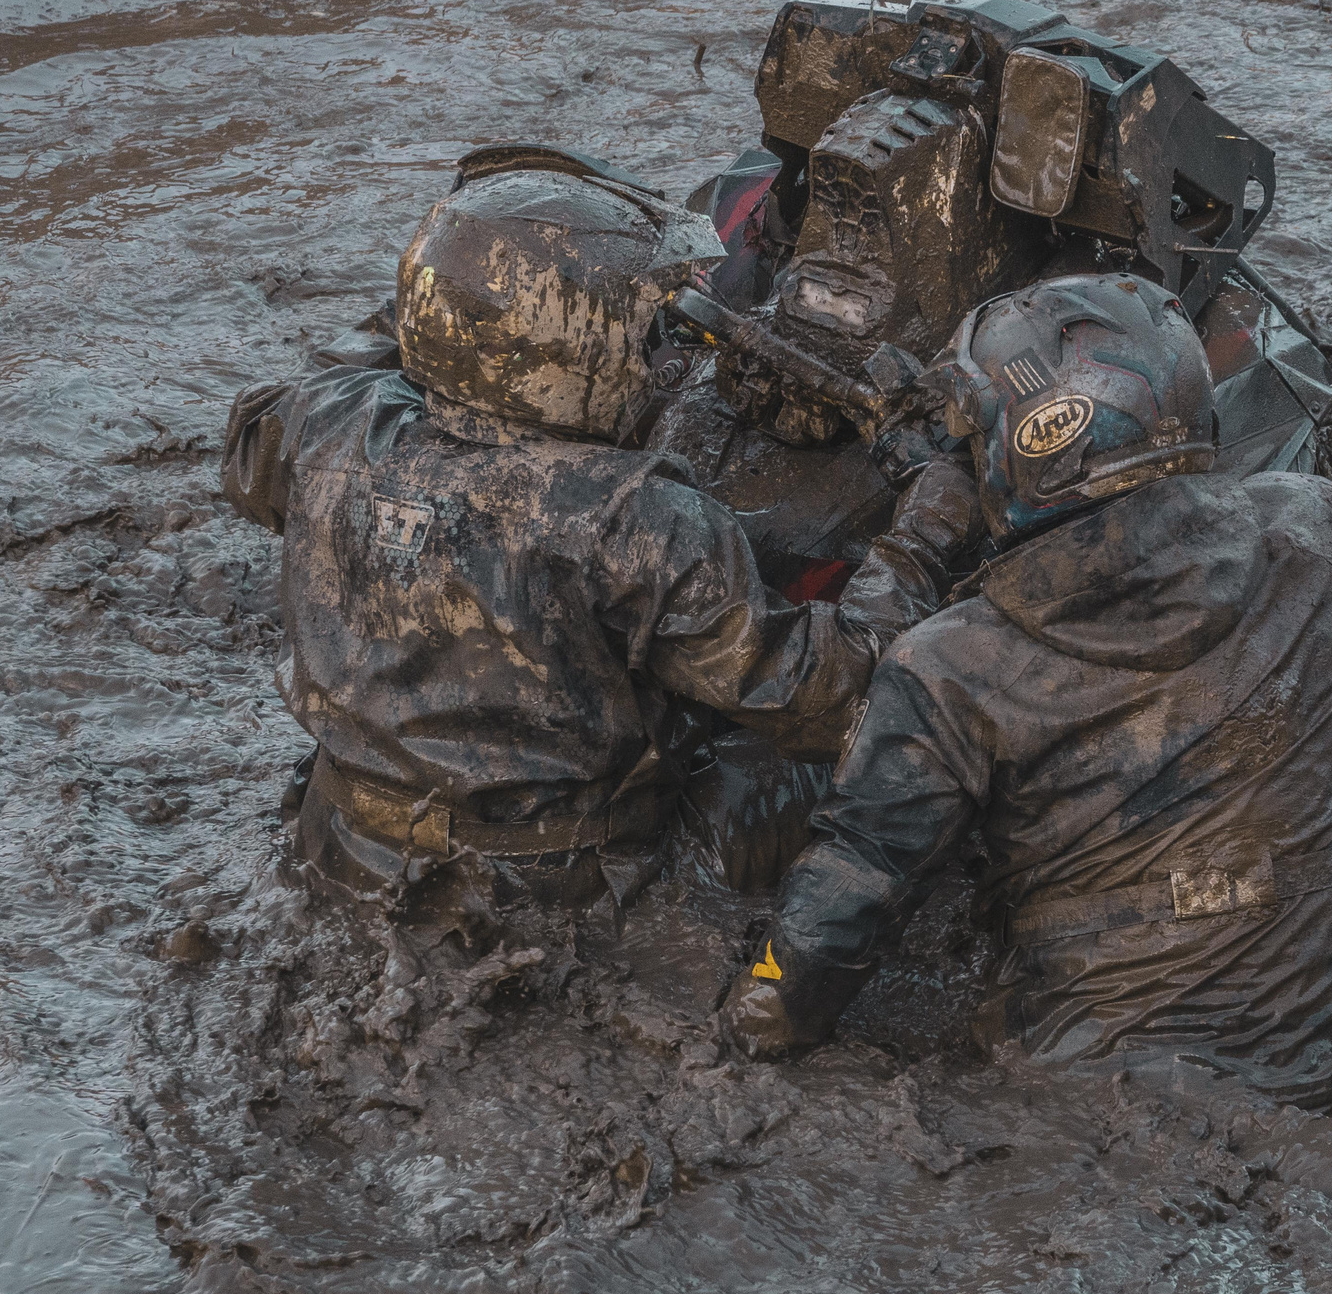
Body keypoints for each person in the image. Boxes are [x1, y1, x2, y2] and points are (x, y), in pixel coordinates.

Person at [715, 273, 1332, 1108]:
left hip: (1088, 1093)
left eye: (978, 436)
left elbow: (809, 959)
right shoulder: (1305, 529)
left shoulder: (949, 668)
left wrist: (742, 1022)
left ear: (1031, 445)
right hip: (1331, 1051)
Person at [220, 162, 979, 942]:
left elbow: (264, 428)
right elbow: (836, 693)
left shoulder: (326, 424)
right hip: (543, 888)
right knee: (833, 757)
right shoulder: (635, 516)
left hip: (342, 839)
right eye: (644, 336)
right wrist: (927, 522)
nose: (653, 354)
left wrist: (451, 295)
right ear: (569, 359)